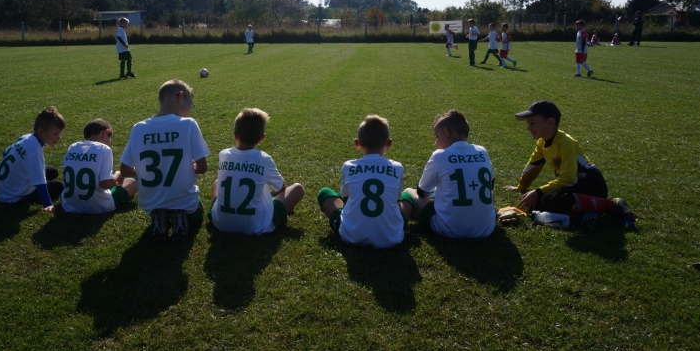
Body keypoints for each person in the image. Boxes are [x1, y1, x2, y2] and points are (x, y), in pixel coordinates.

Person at [502, 100, 635, 229]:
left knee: (551, 200)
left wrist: (537, 192)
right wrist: (522, 186)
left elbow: (569, 178)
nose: (528, 128)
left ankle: (612, 204)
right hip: (574, 185)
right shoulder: (542, 142)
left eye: (533, 123)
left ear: (550, 122)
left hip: (592, 184)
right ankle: (585, 214)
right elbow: (534, 165)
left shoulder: (566, 142)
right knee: (539, 204)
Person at [119, 79, 210, 241]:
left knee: (160, 203)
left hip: (150, 203)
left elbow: (125, 170)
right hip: (184, 199)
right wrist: (185, 168)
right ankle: (180, 214)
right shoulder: (188, 124)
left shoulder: (138, 128)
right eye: (190, 103)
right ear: (180, 97)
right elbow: (202, 168)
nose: (190, 109)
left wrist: (144, 173)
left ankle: (161, 216)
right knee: (197, 208)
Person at [316, 115, 414, 248]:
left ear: (357, 144)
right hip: (391, 238)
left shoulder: (349, 166)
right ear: (388, 143)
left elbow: (346, 198)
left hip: (351, 236)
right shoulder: (397, 167)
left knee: (325, 193)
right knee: (407, 195)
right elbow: (396, 202)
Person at [208, 108, 305, 234]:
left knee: (217, 183)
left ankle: (223, 213)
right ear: (262, 138)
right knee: (297, 188)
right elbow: (281, 188)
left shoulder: (224, 154)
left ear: (235, 135)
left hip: (221, 223)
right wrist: (270, 196)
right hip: (256, 226)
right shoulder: (264, 159)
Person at [406, 110, 496, 238]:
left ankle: (397, 225)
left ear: (447, 133)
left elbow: (422, 192)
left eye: (437, 136)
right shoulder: (482, 151)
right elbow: (490, 186)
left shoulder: (440, 155)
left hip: (449, 229)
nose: (435, 142)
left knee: (409, 192)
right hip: (486, 228)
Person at [0, 107, 66, 212]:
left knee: (52, 171)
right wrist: (48, 204)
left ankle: (13, 183)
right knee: (59, 186)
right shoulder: (34, 150)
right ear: (41, 131)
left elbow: (5, 153)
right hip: (12, 195)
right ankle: (22, 192)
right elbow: (40, 182)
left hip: (3, 187)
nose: (59, 138)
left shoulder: (26, 137)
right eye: (55, 134)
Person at [59, 118, 138, 214]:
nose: (110, 144)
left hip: (69, 204)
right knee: (136, 180)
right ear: (105, 133)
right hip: (98, 206)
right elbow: (105, 184)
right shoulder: (104, 149)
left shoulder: (72, 147)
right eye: (110, 140)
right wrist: (118, 175)